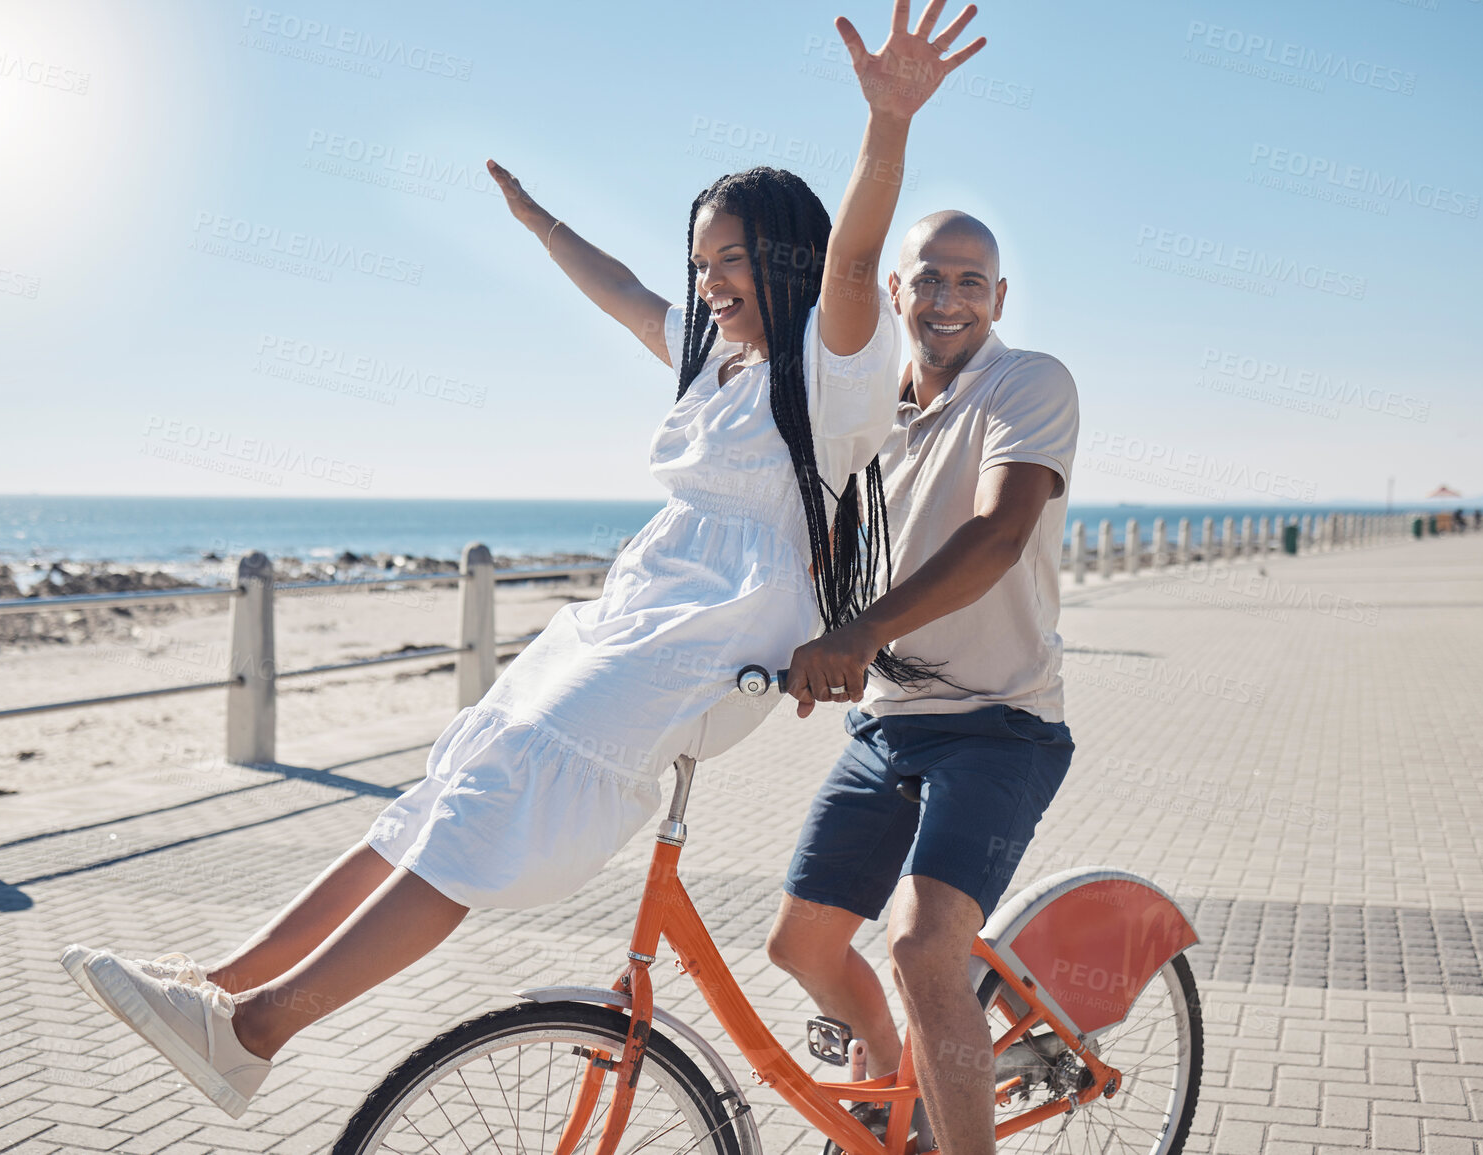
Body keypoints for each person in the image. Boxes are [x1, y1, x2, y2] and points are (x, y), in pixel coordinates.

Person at [59, 0, 988, 1121]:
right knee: (459, 773)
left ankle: (260, 1030)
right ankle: (221, 992)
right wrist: (540, 223)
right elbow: (622, 296)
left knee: (503, 801)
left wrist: (884, 127)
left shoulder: (832, 363)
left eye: (732, 263)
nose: (709, 286)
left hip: (725, 627)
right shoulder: (721, 367)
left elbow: (855, 258)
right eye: (701, 264)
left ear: (782, 259)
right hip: (642, 607)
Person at [765, 208, 1079, 1155]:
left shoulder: (1027, 384)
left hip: (1001, 723)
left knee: (918, 943)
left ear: (998, 298)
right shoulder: (863, 411)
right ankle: (892, 1090)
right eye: (929, 279)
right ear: (893, 291)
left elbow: (994, 537)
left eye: (969, 281)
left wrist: (856, 634)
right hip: (885, 723)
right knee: (801, 946)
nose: (947, 299)